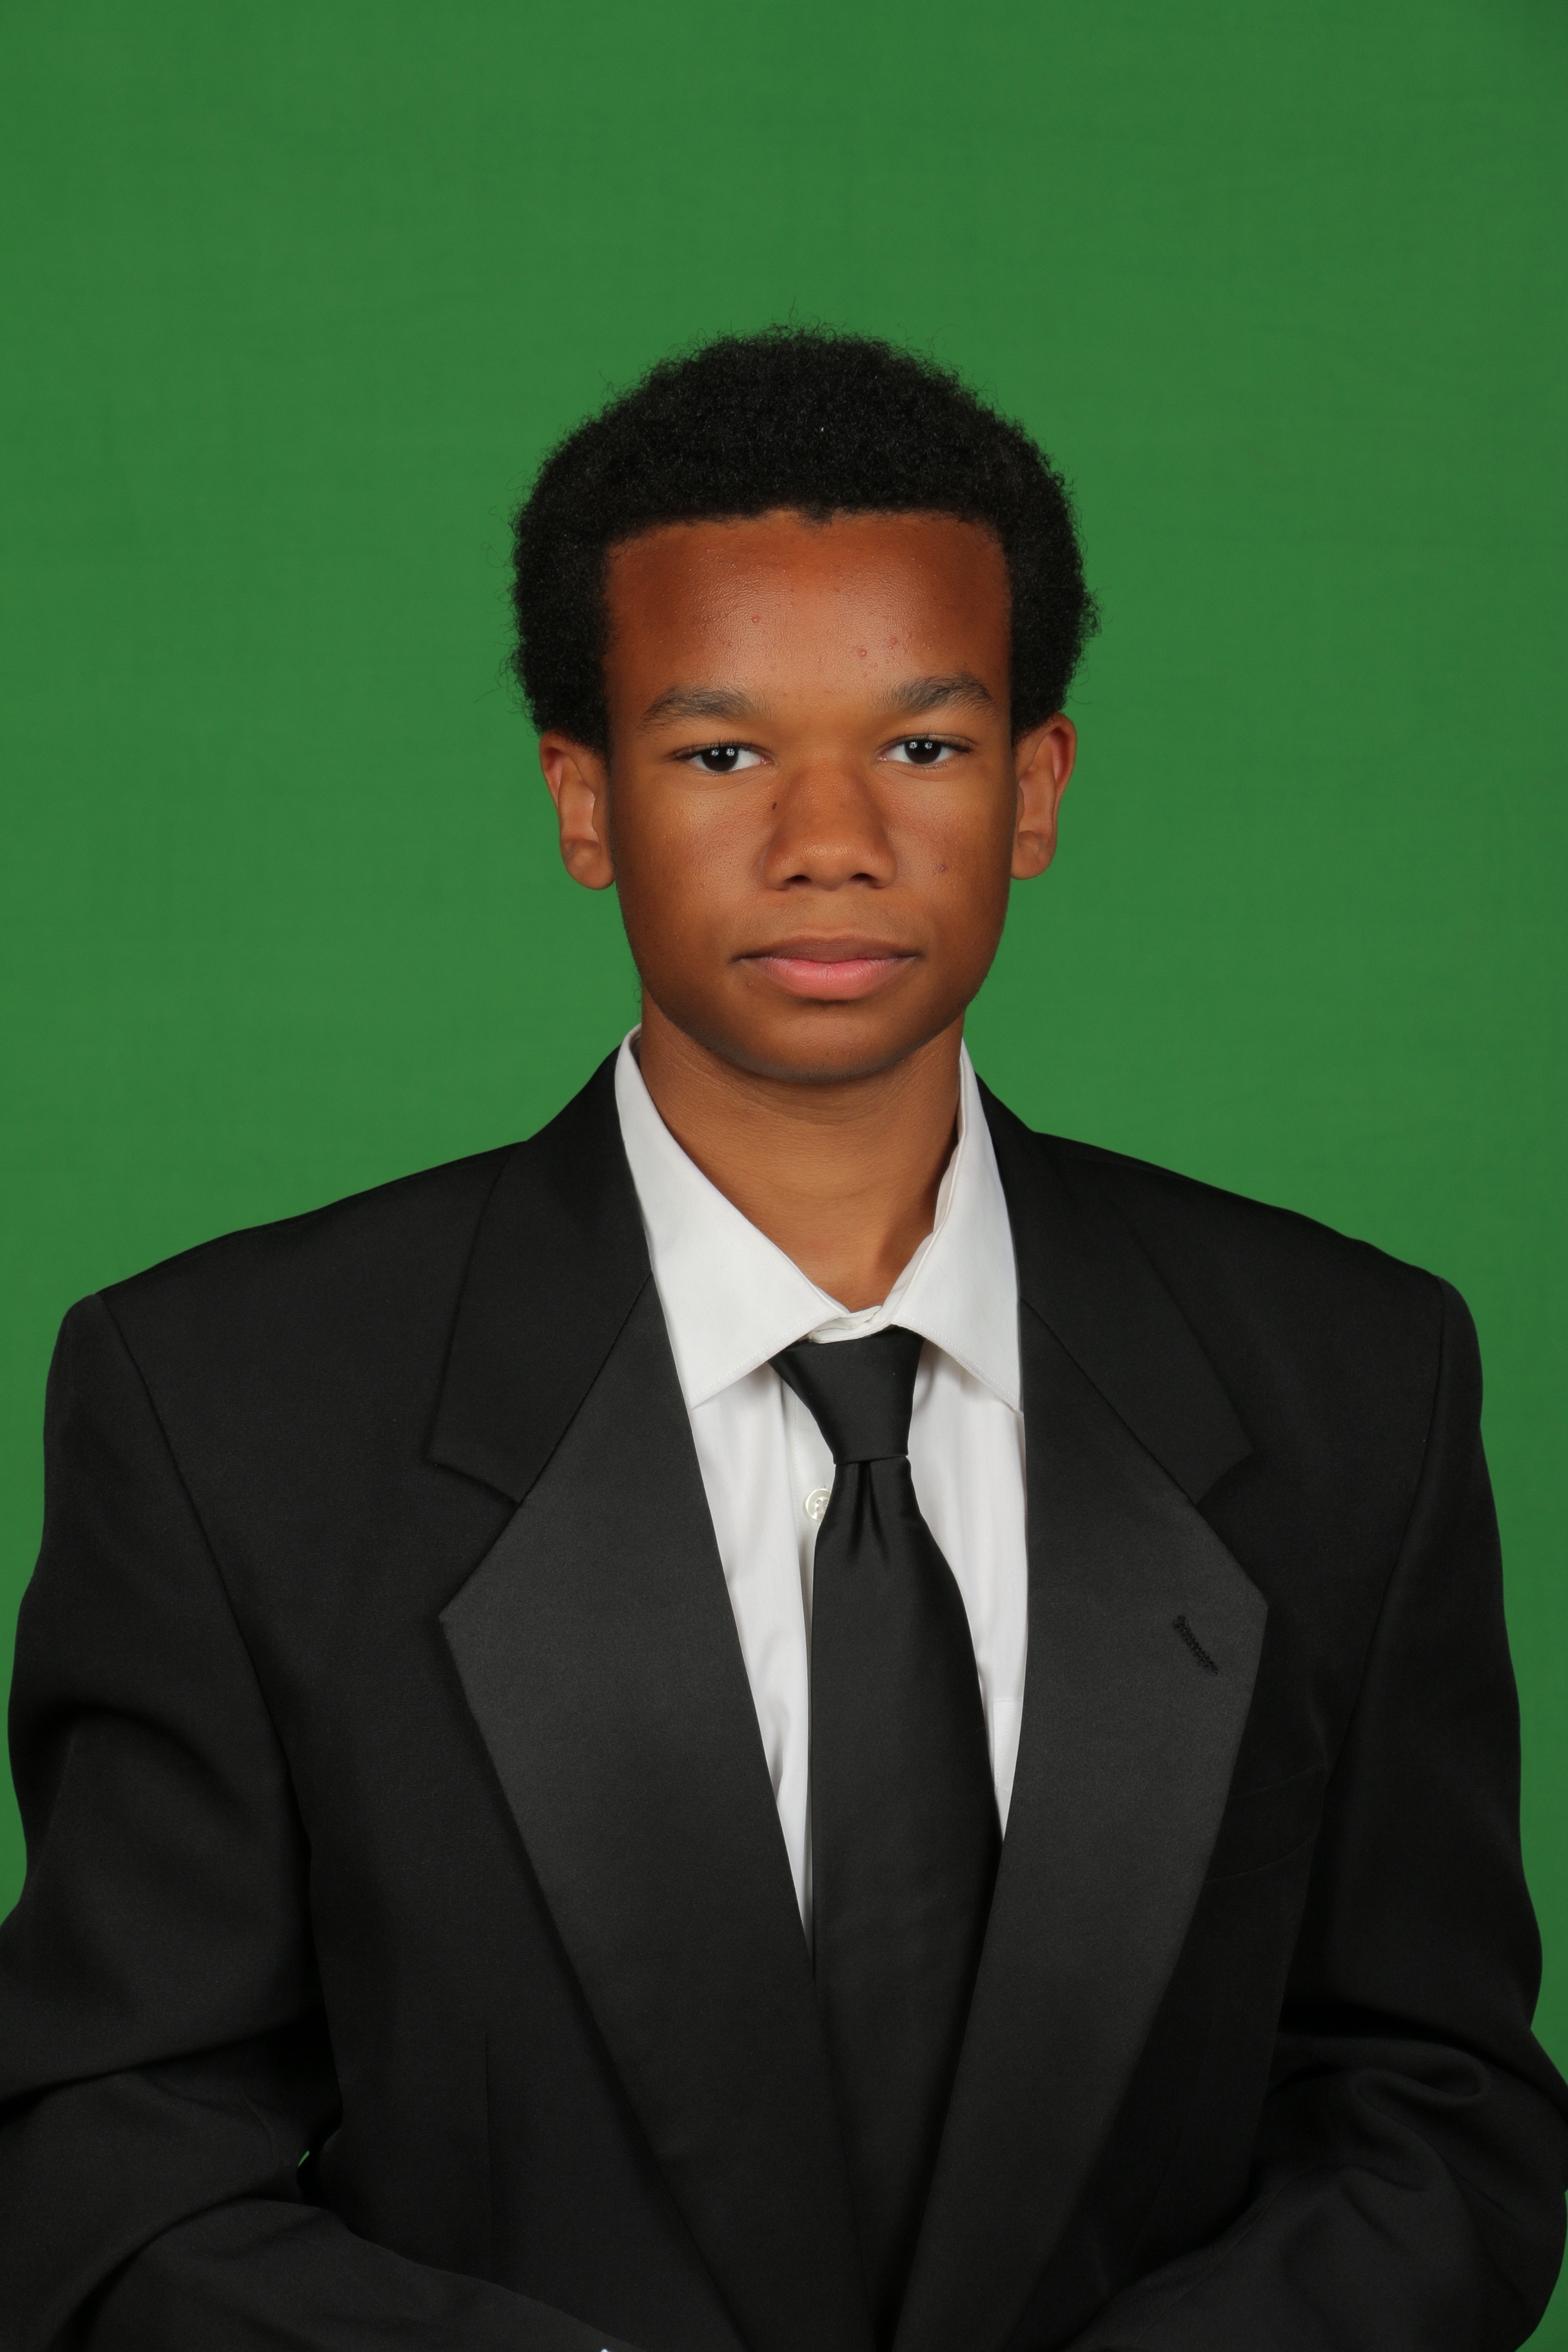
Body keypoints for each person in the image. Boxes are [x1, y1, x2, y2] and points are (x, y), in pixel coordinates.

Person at [0, 328, 1563, 2352]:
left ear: (1036, 788)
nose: (831, 837)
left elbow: (1437, 2111)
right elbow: (101, 2167)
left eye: (923, 747)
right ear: (584, 799)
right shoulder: (225, 1409)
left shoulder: (1356, 1384)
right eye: (722, 754)